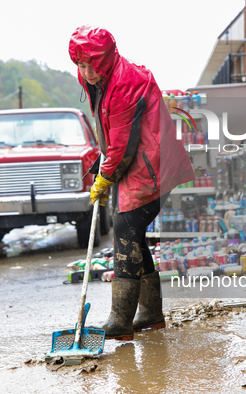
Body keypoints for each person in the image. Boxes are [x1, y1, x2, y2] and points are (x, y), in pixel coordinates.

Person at [69, 26, 194, 340]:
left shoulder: (126, 82)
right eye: (80, 65)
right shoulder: (99, 76)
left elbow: (124, 144)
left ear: (105, 60)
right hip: (133, 164)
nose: (85, 72)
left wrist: (105, 178)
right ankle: (151, 314)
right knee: (133, 235)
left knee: (125, 229)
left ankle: (120, 320)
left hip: (151, 165)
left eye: (90, 66)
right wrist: (105, 162)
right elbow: (110, 130)